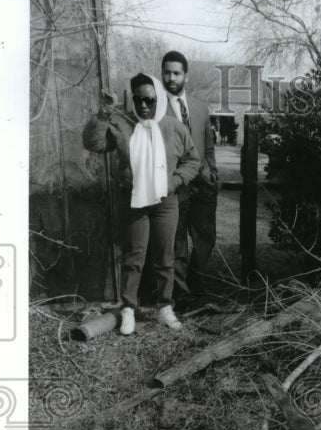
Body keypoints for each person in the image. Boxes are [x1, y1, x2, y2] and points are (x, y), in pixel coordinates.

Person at [82, 73, 202, 335]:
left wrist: (173, 183)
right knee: (134, 257)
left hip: (165, 201)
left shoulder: (173, 127)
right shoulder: (123, 123)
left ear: (158, 99)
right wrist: (104, 114)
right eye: (138, 99)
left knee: (165, 256)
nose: (144, 105)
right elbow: (93, 143)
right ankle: (128, 310)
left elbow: (194, 160)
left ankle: (164, 307)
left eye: (149, 99)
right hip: (135, 201)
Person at [160, 50, 219, 308]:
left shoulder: (199, 106)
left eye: (176, 73)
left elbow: (208, 146)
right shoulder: (156, 108)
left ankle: (198, 282)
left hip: (203, 183)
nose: (171, 77)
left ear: (186, 76)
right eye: (167, 72)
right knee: (178, 239)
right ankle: (182, 294)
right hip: (177, 182)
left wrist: (212, 171)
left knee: (207, 236)